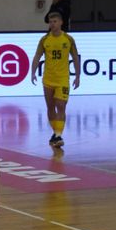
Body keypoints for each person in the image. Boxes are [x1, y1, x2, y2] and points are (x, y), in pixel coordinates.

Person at [31, 12, 80, 148]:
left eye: (55, 21)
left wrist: (78, 75)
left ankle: (58, 135)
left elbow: (75, 57)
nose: (52, 24)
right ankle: (55, 133)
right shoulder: (45, 39)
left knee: (61, 106)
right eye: (50, 22)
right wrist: (33, 72)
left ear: (61, 22)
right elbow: (37, 56)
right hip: (48, 79)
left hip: (63, 79)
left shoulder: (68, 39)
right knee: (50, 107)